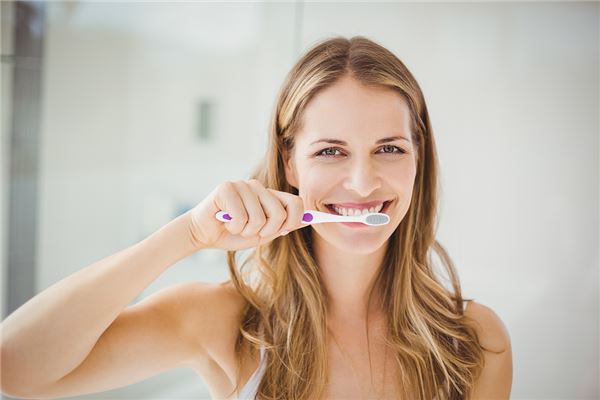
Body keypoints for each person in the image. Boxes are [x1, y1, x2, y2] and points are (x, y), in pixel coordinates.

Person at [0, 36, 512, 400]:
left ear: (418, 159)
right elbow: (15, 367)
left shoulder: (474, 341)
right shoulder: (224, 322)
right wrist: (187, 235)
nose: (362, 183)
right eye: (331, 151)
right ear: (289, 163)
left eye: (389, 148)